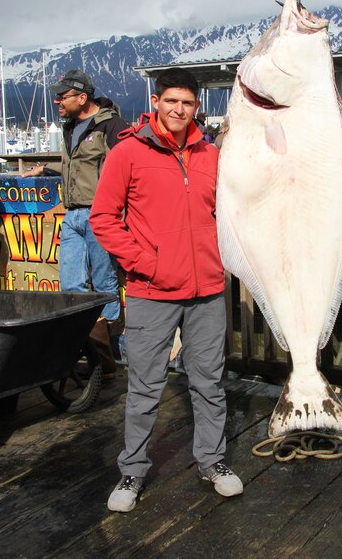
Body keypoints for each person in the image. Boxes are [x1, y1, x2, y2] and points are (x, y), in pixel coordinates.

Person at [90, 67, 243, 513]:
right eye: (171, 100)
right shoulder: (128, 152)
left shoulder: (212, 154)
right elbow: (103, 218)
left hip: (208, 290)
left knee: (209, 382)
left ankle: (212, 461)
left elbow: (234, 209)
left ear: (197, 107)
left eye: (188, 103)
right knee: (145, 386)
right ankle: (133, 470)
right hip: (150, 292)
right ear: (156, 101)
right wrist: (145, 263)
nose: (179, 109)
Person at [23, 69, 128, 377]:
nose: (57, 101)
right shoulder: (70, 126)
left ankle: (108, 358)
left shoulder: (111, 125)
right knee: (70, 283)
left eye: (63, 96)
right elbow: (73, 163)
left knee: (106, 284)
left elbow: (127, 165)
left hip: (101, 213)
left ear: (82, 98)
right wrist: (44, 168)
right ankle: (88, 353)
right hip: (72, 215)